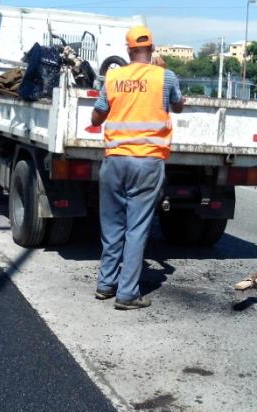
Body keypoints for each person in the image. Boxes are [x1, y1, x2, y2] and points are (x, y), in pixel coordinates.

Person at [91, 25, 185, 310]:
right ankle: (127, 293)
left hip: (115, 159)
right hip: (147, 161)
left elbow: (97, 118)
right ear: (152, 49)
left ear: (128, 50)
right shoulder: (165, 76)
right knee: (137, 227)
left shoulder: (113, 76)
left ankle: (106, 284)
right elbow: (178, 106)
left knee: (112, 225)